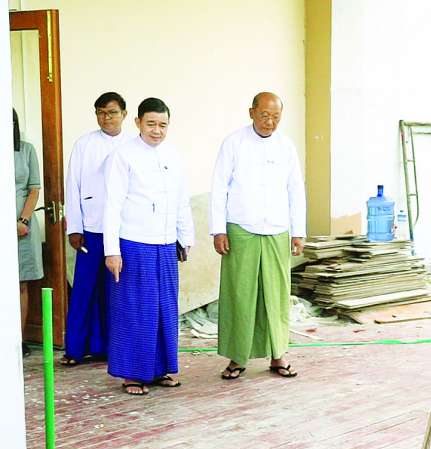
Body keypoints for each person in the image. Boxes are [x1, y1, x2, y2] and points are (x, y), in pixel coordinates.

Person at [210, 91, 306, 380]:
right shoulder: (233, 143)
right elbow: (219, 188)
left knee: (277, 295)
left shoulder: (286, 146)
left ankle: (279, 355)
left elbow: (295, 189)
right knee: (240, 294)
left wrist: (298, 231)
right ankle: (237, 358)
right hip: (241, 228)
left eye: (276, 117)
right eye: (264, 115)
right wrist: (218, 229)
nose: (270, 122)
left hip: (277, 228)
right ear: (251, 112)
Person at [103, 97, 194, 395]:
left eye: (163, 125)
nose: (157, 130)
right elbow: (112, 205)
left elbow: (181, 200)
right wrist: (112, 250)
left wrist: (185, 238)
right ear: (138, 123)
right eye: (151, 124)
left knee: (164, 308)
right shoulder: (123, 155)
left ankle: (161, 368)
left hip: (165, 244)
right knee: (135, 310)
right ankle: (132, 374)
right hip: (134, 243)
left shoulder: (173, 155)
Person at [61, 92, 132, 366]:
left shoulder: (133, 145)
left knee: (117, 290)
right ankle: (75, 349)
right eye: (101, 112)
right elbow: (73, 186)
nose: (106, 117)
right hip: (91, 227)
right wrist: (74, 227)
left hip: (125, 230)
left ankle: (113, 348)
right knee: (85, 289)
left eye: (112, 112)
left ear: (124, 115)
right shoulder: (84, 144)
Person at [13, 108, 44, 357]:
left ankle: (19, 339)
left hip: (21, 227)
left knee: (20, 284)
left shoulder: (26, 150)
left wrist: (22, 220)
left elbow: (34, 189)